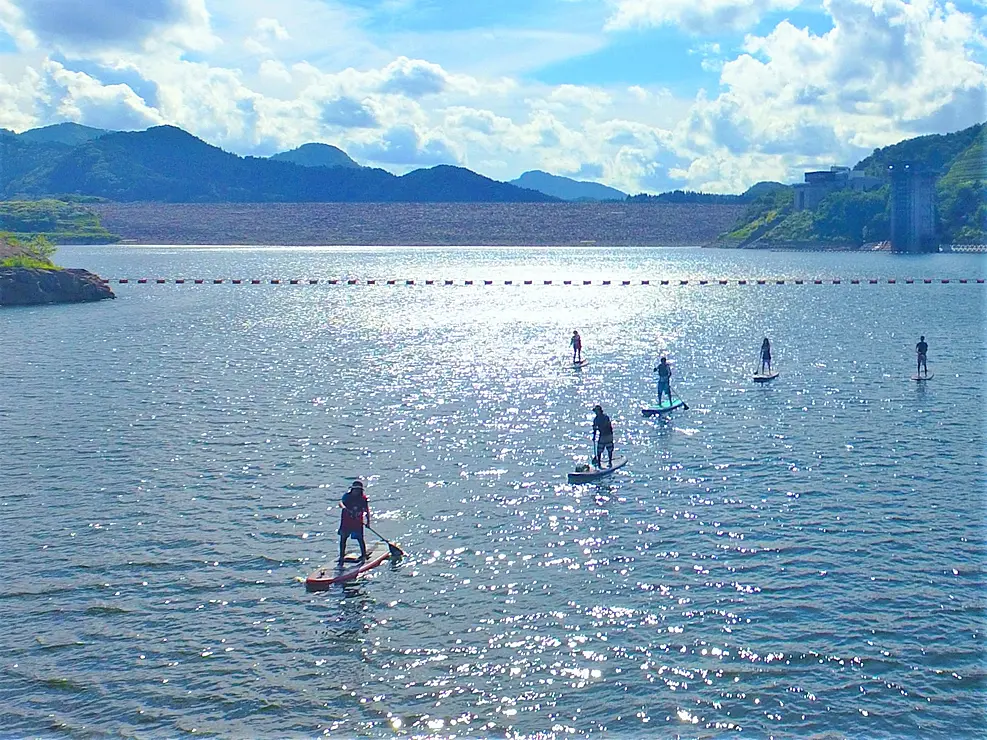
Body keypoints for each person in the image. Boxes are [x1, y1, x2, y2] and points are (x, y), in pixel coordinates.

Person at [338, 480, 370, 563]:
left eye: (358, 490)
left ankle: (363, 555)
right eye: (355, 489)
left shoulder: (363, 499)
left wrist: (368, 522)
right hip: (346, 521)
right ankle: (341, 556)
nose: (356, 491)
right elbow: (341, 503)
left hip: (357, 521)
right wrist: (344, 508)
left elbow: (366, 510)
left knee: (360, 538)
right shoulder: (347, 496)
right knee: (343, 538)